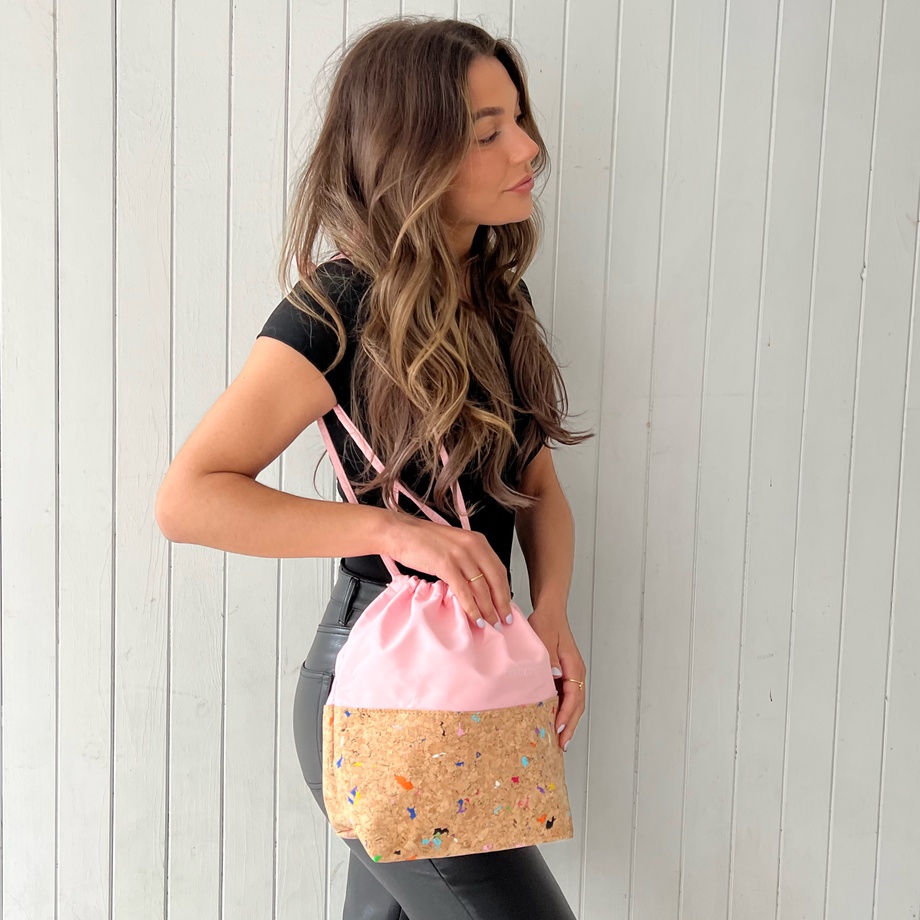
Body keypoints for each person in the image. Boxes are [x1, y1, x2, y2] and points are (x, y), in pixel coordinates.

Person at [155, 15, 592, 920]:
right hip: (383, 684)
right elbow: (188, 498)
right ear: (413, 155)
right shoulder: (338, 305)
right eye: (489, 132)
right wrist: (399, 533)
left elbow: (539, 490)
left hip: (472, 682)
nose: (528, 148)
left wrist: (550, 612)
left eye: (518, 119)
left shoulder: (494, 297)